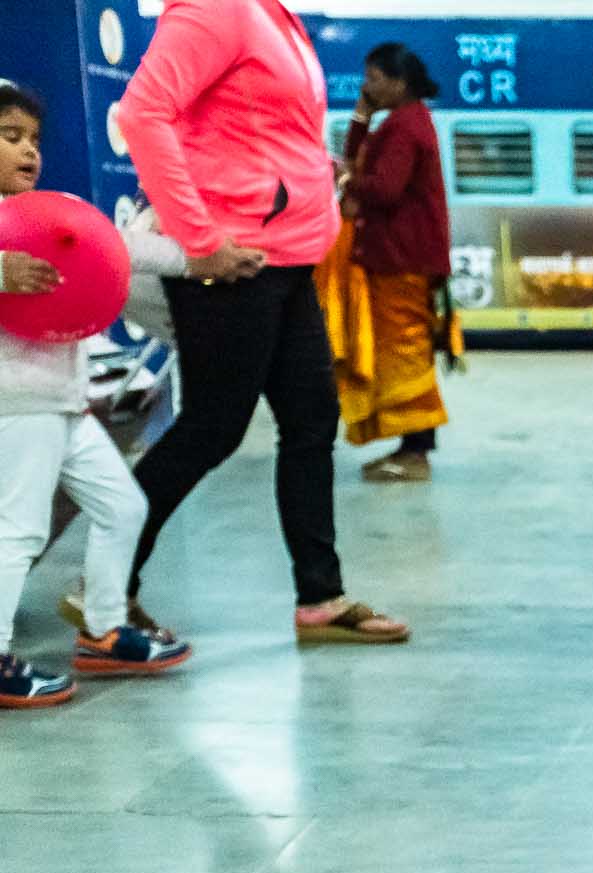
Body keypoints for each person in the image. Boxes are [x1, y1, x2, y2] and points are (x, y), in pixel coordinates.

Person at [118, 0, 409, 645]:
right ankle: (106, 589)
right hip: (234, 260)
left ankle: (320, 597)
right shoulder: (215, 9)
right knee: (212, 429)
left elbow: (261, 131)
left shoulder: (271, 14)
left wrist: (310, 173)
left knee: (311, 420)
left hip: (286, 257)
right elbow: (143, 113)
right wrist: (199, 240)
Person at [0, 82, 200, 708]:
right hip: (15, 402)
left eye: (33, 139)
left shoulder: (48, 214)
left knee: (123, 508)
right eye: (10, 137)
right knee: (18, 533)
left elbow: (121, 249)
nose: (29, 151)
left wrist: (209, 257)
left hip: (62, 400)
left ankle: (104, 630)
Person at [322, 42, 456, 485]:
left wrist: (343, 177)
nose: (366, 84)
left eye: (374, 78)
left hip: (403, 258)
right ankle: (410, 446)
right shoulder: (403, 121)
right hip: (397, 256)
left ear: (399, 82)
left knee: (405, 352)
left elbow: (383, 190)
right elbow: (360, 160)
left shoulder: (405, 127)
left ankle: (416, 452)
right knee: (401, 350)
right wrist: (361, 115)